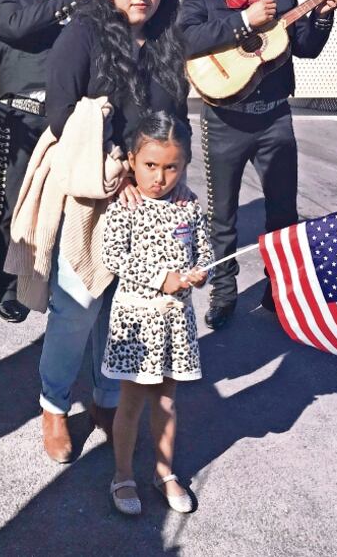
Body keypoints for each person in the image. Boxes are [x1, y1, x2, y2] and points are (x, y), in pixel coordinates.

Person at [37, 0, 191, 463]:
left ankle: (105, 396)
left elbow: (177, 119)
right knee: (78, 303)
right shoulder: (83, 33)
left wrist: (170, 175)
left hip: (153, 195)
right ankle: (54, 405)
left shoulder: (170, 39)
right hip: (93, 189)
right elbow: (60, 110)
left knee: (126, 304)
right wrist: (118, 168)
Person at [178, 0, 337, 330]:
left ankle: (279, 291)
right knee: (223, 215)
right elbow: (186, 42)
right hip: (224, 120)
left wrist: (322, 15)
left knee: (283, 211)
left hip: (275, 119)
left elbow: (307, 48)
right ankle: (223, 292)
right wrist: (244, 22)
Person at [100, 111, 212, 515]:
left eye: (170, 167)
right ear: (132, 161)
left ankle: (163, 471)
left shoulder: (190, 207)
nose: (159, 178)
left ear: (184, 166)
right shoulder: (125, 207)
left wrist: (200, 273)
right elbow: (113, 256)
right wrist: (160, 277)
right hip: (136, 322)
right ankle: (123, 475)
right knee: (130, 402)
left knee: (166, 401)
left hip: (175, 323)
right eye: (150, 165)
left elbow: (204, 251)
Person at [0, 0, 95, 323]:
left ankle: (55, 280)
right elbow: (20, 27)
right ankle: (8, 288)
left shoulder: (80, 4)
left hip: (72, 119)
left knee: (71, 205)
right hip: (22, 117)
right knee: (16, 205)